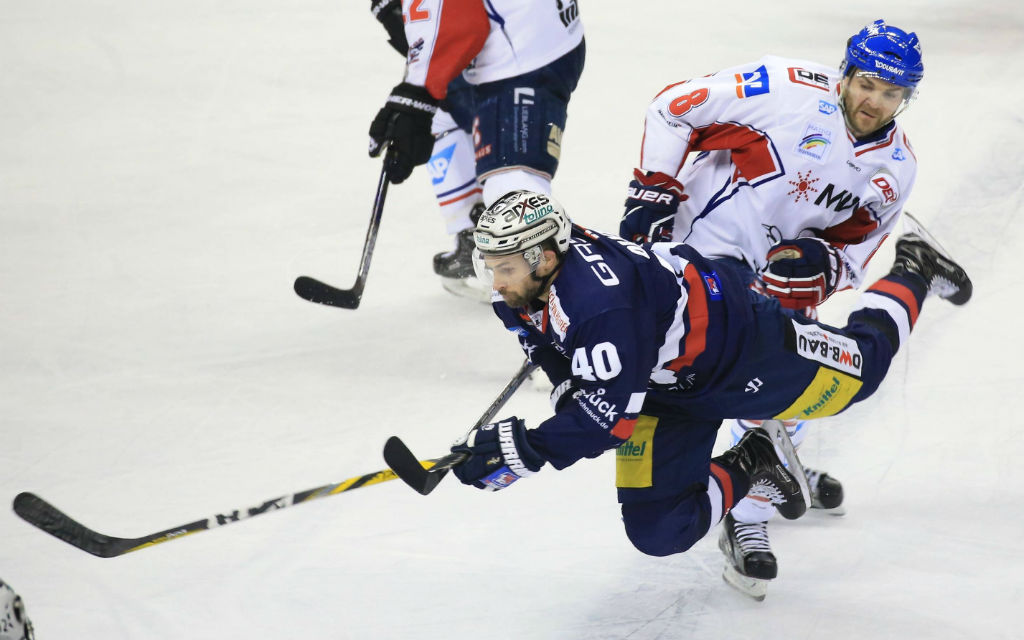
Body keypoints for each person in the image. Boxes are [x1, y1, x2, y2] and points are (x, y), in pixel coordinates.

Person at [446, 190, 970, 583]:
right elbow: (550, 350)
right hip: (659, 385)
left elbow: (608, 423)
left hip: (743, 350)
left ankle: (914, 268)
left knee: (862, 372)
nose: (497, 283)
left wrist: (525, 451)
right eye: (491, 267)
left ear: (544, 257)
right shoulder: (521, 285)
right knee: (659, 530)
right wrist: (559, 405)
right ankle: (755, 462)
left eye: (507, 268)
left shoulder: (603, 302)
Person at [617, 19, 925, 588]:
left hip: (770, 292)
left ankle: (750, 516)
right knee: (660, 376)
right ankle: (765, 463)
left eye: (890, 94)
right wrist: (655, 187)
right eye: (866, 85)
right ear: (846, 73)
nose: (873, 102)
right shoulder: (784, 89)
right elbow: (672, 107)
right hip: (693, 266)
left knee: (783, 396)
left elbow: (853, 250)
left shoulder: (896, 167)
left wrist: (817, 265)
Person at [367, 0, 585, 299]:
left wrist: (415, 95)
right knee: (438, 113)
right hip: (511, 34)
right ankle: (474, 239)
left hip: (523, 55)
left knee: (510, 184)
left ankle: (575, 295)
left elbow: (462, 23)